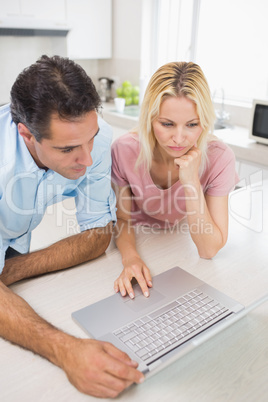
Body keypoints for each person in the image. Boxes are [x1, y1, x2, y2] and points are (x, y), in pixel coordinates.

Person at [0, 55, 144, 398]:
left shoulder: (93, 139)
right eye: (67, 149)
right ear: (26, 134)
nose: (88, 159)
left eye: (90, 139)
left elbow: (97, 235)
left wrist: (11, 270)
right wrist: (67, 350)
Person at [111, 61, 239, 300]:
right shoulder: (124, 150)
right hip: (137, 237)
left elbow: (208, 249)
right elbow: (122, 219)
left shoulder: (220, 157)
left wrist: (191, 182)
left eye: (192, 124)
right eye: (167, 124)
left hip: (179, 238)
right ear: (150, 119)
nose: (179, 139)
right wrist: (131, 258)